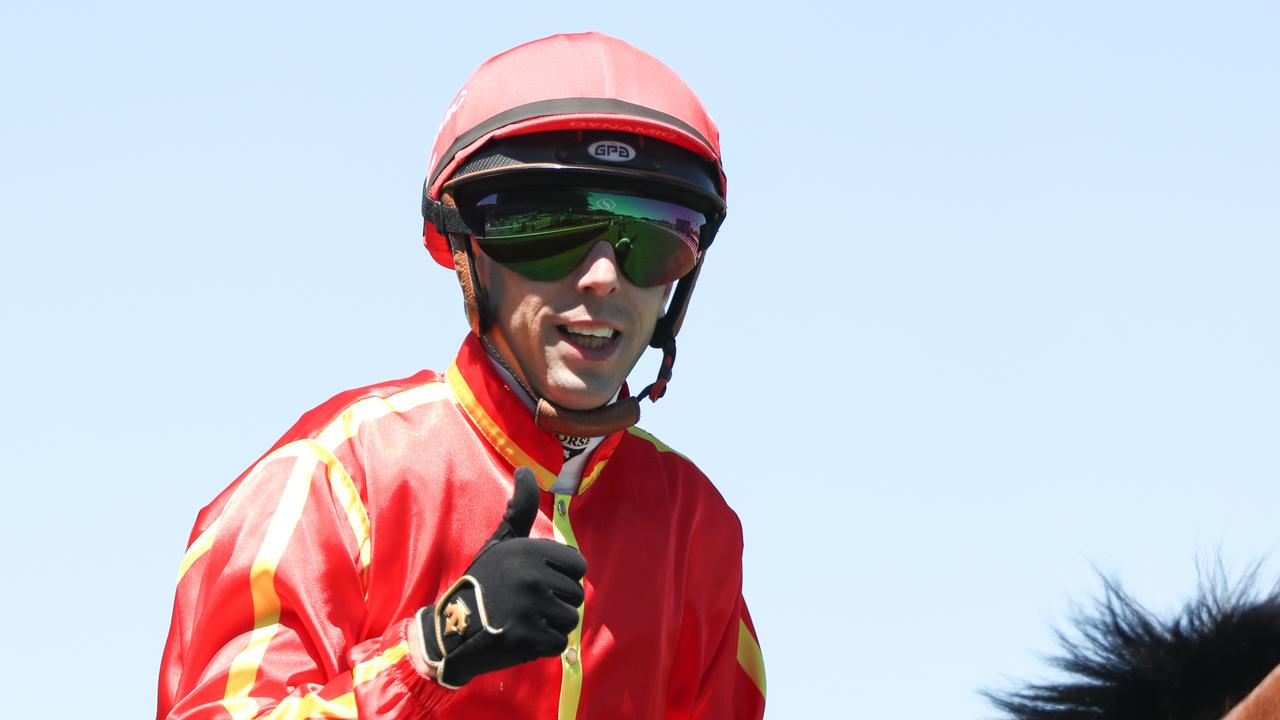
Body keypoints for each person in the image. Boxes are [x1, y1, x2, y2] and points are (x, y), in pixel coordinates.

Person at [157, 32, 765, 719]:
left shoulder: (701, 529)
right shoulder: (332, 475)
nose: (602, 278)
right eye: (548, 227)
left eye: (653, 238)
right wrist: (430, 653)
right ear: (467, 251)